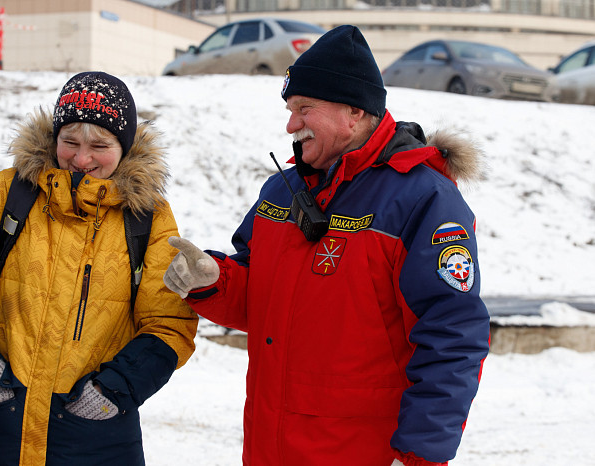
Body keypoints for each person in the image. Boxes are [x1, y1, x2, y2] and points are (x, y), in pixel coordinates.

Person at [163, 25, 490, 466]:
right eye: (289, 108)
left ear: (353, 112)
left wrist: (420, 455)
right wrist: (214, 281)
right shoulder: (281, 192)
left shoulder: (422, 199)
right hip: (271, 450)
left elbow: (452, 336)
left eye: (303, 108)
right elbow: (262, 300)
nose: (290, 124)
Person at [0, 71, 198, 465]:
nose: (81, 159)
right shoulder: (11, 192)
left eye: (99, 145)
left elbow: (170, 324)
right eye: (70, 142)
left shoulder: (148, 218)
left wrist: (112, 391)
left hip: (96, 437)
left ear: (125, 147)